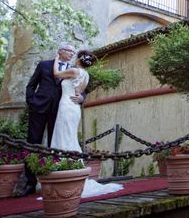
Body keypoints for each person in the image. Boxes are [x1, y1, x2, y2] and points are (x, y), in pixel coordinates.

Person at [51, 49, 123, 198]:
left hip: (66, 106)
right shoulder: (86, 75)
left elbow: (56, 74)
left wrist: (56, 59)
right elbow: (79, 92)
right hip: (75, 107)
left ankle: (64, 171)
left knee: (64, 136)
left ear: (78, 60)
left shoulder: (74, 70)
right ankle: (72, 169)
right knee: (69, 137)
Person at [19, 42, 79, 197]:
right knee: (33, 142)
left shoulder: (74, 71)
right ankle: (30, 183)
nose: (72, 53)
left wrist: (81, 97)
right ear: (59, 51)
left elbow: (81, 88)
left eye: (73, 52)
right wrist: (31, 102)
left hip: (60, 112)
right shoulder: (44, 65)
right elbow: (31, 85)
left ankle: (53, 181)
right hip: (38, 108)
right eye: (68, 50)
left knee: (56, 144)